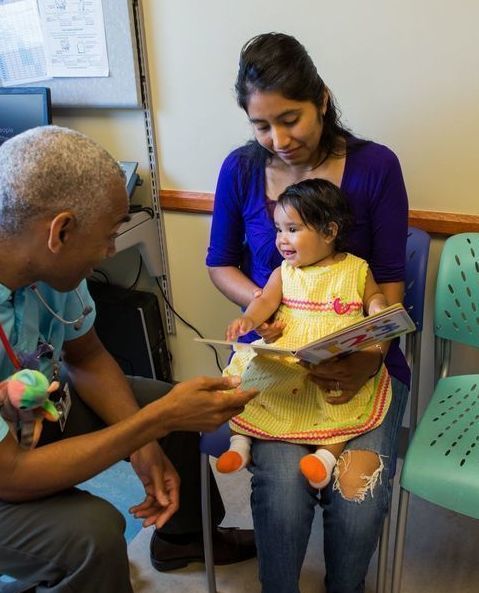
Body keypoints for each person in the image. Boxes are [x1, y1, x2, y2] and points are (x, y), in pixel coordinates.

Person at [0, 125, 259, 593]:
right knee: (93, 534)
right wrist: (148, 426)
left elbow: (89, 355)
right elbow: (11, 475)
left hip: (34, 413)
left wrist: (147, 443)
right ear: (60, 230)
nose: (111, 250)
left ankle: (184, 541)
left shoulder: (46, 264)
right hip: (6, 466)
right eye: (109, 235)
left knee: (171, 410)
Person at [206, 32, 410, 593]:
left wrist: (368, 358)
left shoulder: (376, 167)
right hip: (278, 366)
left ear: (321, 98)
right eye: (261, 126)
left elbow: (389, 283)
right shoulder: (241, 170)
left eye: (290, 119)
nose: (279, 139)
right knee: (281, 490)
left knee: (355, 496)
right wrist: (265, 306)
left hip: (365, 366)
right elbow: (220, 263)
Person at [216, 178, 391, 491]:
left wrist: (378, 309)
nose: (282, 239)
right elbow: (264, 301)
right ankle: (240, 443)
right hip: (287, 356)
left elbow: (374, 298)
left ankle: (325, 457)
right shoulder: (284, 272)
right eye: (278, 229)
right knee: (254, 388)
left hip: (329, 360)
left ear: (329, 232)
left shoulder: (356, 269)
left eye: (292, 229)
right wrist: (248, 319)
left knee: (340, 405)